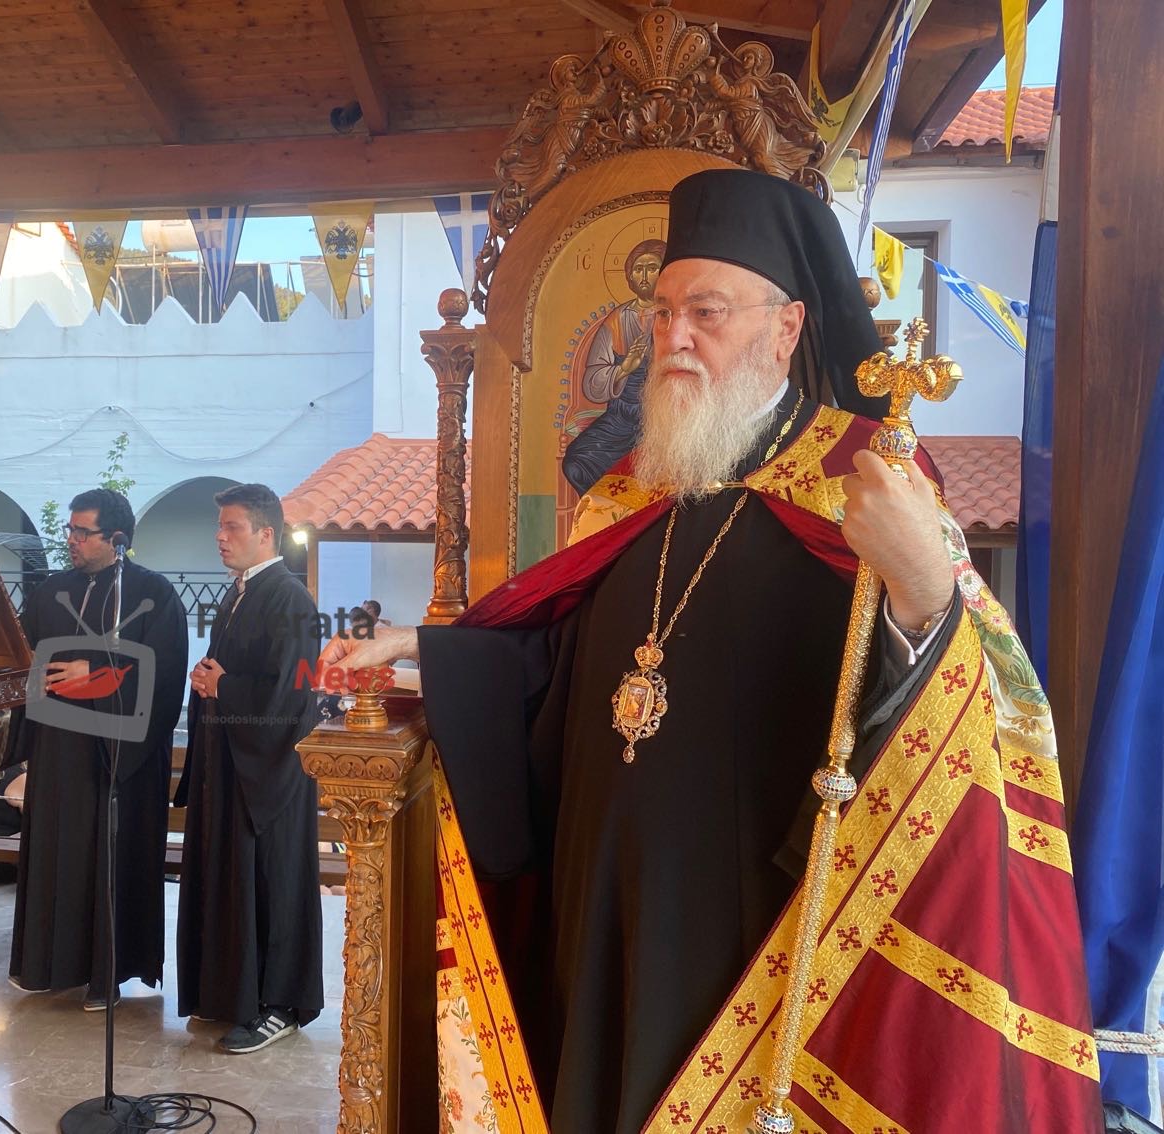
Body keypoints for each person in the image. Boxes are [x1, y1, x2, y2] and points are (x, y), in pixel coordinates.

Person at [322, 169, 1100, 1132]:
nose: (675, 336)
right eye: (662, 313)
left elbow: (977, 698)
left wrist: (921, 587)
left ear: (785, 328)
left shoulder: (864, 475)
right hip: (602, 892)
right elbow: (557, 662)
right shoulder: (631, 491)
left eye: (707, 311)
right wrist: (435, 649)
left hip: (755, 913)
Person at [8, 488, 187, 1008]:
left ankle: (107, 974)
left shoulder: (152, 593)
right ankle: (51, 965)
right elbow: (21, 658)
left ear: (117, 539)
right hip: (58, 753)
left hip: (117, 760)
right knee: (58, 857)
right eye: (70, 530)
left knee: (109, 859)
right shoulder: (51, 591)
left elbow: (165, 673)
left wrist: (104, 676)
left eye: (82, 532)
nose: (72, 540)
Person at [176, 484, 324, 1053]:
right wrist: (208, 681)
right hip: (233, 765)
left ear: (267, 534)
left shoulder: (290, 599)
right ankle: (232, 996)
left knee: (273, 885)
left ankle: (280, 1005)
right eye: (219, 526)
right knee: (234, 883)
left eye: (232, 526)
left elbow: (291, 696)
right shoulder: (238, 593)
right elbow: (237, 674)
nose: (220, 536)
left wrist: (224, 686)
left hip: (272, 775)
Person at [560, 238, 666, 495]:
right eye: (638, 269)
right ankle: (605, 512)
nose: (644, 276)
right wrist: (624, 368)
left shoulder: (673, 316)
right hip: (621, 417)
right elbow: (592, 381)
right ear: (629, 276)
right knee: (576, 462)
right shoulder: (618, 320)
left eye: (652, 268)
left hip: (662, 417)